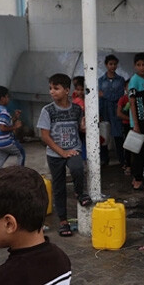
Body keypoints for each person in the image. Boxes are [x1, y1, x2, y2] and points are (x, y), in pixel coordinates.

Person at [38, 73, 92, 237]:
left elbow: (79, 129)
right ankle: (63, 222)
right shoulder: (47, 110)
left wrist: (84, 127)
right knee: (59, 187)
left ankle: (79, 192)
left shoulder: (76, 109)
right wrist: (62, 152)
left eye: (56, 88)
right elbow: (45, 136)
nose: (52, 92)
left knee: (77, 168)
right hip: (55, 154)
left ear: (67, 90)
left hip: (73, 149)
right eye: (50, 89)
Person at [126, 52, 144, 190]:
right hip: (138, 121)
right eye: (139, 65)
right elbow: (132, 102)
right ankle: (137, 180)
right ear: (135, 66)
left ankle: (138, 178)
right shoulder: (134, 81)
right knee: (139, 151)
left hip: (143, 119)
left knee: (143, 150)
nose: (142, 67)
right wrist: (135, 123)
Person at [97, 54, 126, 169]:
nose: (112, 66)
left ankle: (122, 159)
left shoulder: (120, 80)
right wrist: (98, 113)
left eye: (114, 64)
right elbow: (99, 97)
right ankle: (104, 159)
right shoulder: (101, 80)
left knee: (118, 136)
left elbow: (119, 96)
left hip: (116, 111)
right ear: (106, 65)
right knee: (103, 136)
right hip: (104, 111)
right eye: (110, 64)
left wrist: (105, 95)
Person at [0, 85, 25, 169]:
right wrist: (15, 127)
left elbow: (5, 123)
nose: (8, 99)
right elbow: (2, 128)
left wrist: (15, 117)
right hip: (6, 142)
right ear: (2, 99)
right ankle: (21, 173)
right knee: (21, 153)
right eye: (7, 96)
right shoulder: (4, 111)